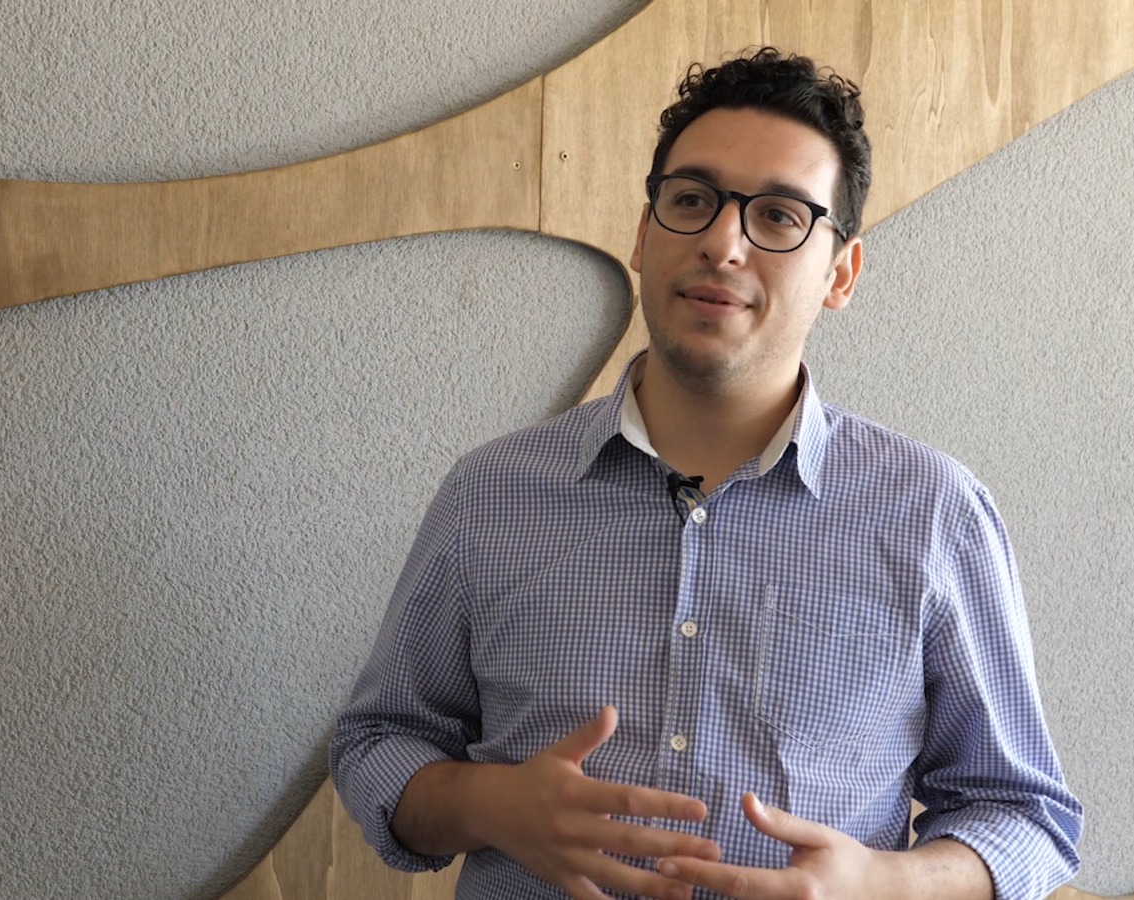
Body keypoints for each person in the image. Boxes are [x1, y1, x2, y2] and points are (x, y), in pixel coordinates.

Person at [328, 47, 1082, 900]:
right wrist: (488, 805)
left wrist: (882, 884)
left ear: (840, 273)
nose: (723, 244)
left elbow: (1024, 815)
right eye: (692, 200)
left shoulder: (934, 511)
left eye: (779, 216)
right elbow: (378, 742)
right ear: (643, 235)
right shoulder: (489, 495)